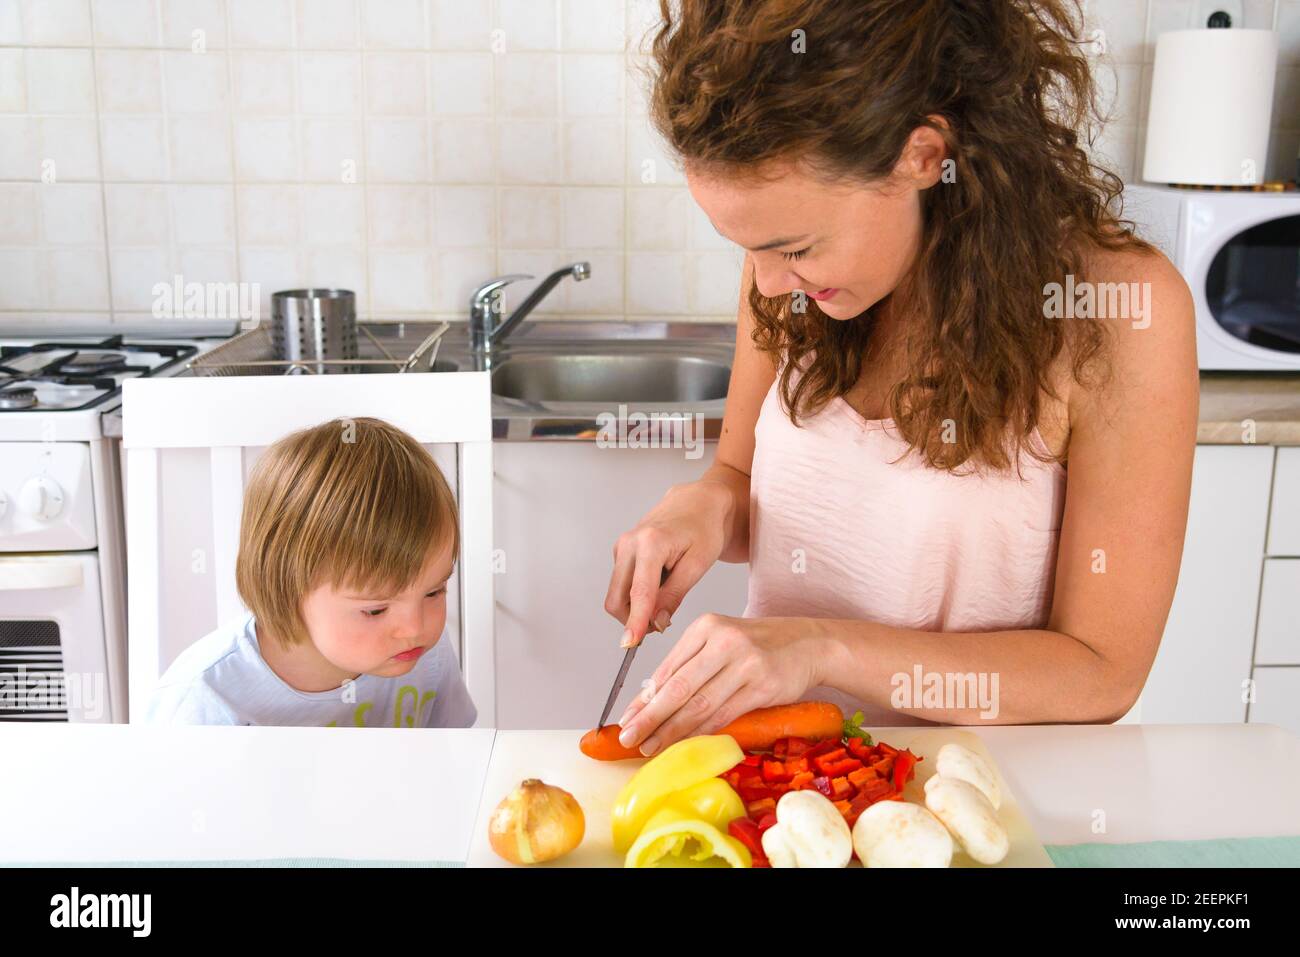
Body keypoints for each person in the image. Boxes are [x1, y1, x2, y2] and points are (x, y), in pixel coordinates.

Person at [606, 0, 1198, 755]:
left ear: (923, 155)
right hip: (789, 792)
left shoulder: (1117, 310)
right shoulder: (790, 273)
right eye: (748, 248)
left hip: (979, 805)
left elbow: (1101, 672)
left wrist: (821, 648)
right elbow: (740, 474)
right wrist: (703, 505)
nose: (766, 282)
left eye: (793, 246)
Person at [146, 416, 476, 728]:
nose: (414, 627)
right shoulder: (207, 699)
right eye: (375, 609)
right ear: (286, 589)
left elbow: (460, 760)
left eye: (434, 592)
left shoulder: (423, 654)